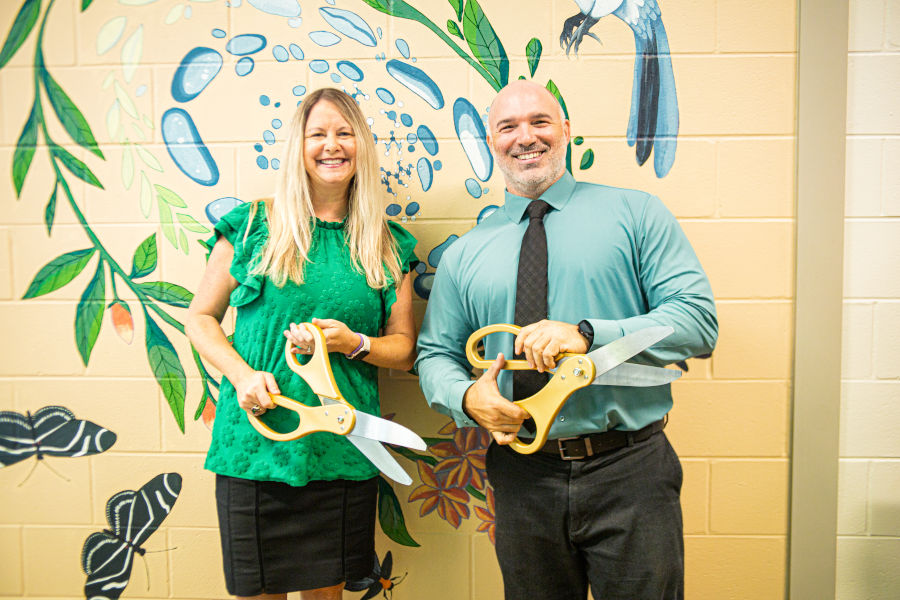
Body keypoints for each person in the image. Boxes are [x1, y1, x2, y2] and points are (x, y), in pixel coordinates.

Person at [415, 80, 717, 600]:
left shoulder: (636, 214)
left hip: (630, 470)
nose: (524, 137)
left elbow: (697, 321)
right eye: (507, 127)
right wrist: (466, 397)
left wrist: (588, 336)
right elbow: (435, 354)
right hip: (521, 475)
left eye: (539, 122)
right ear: (492, 142)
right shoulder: (465, 254)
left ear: (567, 133)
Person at [186, 88, 417, 600]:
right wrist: (243, 377)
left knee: (326, 596)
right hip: (255, 447)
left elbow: (403, 349)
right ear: (299, 145)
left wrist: (355, 343)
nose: (332, 145)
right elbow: (200, 318)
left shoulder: (387, 242)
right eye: (318, 133)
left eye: (344, 132)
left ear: (361, 145)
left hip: (341, 447)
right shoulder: (252, 227)